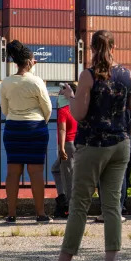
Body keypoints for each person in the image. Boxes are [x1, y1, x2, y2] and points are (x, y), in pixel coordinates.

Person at [35, 30, 131, 261]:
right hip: (120, 146)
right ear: (114, 47)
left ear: (92, 49)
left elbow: (79, 114)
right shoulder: (128, 76)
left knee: (80, 205)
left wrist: (70, 96)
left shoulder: (88, 76)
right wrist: (125, 134)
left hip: (92, 145)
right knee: (112, 205)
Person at [0, 40, 52, 224]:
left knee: (13, 172)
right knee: (36, 172)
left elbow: (5, 110)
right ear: (30, 62)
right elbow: (48, 108)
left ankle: (11, 214)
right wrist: (40, 123)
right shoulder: (37, 81)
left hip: (13, 128)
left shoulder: (6, 82)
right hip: (35, 128)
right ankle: (40, 214)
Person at [52, 82, 78, 219]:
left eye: (62, 91)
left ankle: (69, 205)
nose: (59, 93)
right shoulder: (77, 109)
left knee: (68, 176)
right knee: (56, 168)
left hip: (67, 144)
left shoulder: (63, 110)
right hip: (76, 143)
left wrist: (61, 148)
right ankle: (62, 196)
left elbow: (62, 129)